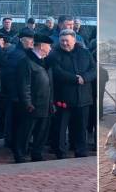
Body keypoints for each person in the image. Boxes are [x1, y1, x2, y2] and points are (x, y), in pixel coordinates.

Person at [48, 29, 95, 159]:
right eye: (62, 41)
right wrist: (75, 79)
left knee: (81, 127)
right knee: (61, 128)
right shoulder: (54, 54)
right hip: (63, 98)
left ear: (74, 40)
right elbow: (57, 72)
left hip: (83, 98)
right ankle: (60, 152)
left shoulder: (85, 53)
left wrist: (85, 78)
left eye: (67, 41)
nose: (64, 43)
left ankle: (81, 151)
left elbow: (93, 69)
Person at [14, 34, 54, 163]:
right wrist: (27, 103)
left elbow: (49, 84)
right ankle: (20, 154)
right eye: (49, 46)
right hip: (32, 105)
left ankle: (37, 153)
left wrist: (51, 103)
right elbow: (24, 85)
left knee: (42, 132)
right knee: (25, 131)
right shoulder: (26, 61)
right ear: (42, 46)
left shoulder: (45, 62)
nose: (50, 49)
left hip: (45, 104)